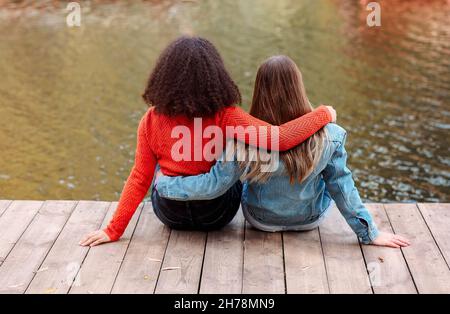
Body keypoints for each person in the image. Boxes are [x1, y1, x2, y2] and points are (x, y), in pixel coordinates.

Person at [79, 38, 335, 247]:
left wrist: (113, 230)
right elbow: (280, 139)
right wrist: (324, 114)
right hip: (216, 214)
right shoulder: (226, 116)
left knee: (154, 168)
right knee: (237, 160)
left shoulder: (151, 120)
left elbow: (139, 178)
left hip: (170, 213)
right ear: (215, 76)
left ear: (164, 78)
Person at [155, 55, 410, 248]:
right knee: (333, 180)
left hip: (261, 220)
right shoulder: (330, 136)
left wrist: (165, 185)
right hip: (310, 219)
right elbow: (342, 188)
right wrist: (370, 233)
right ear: (298, 87)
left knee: (235, 179)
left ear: (259, 91)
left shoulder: (245, 137)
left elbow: (214, 185)